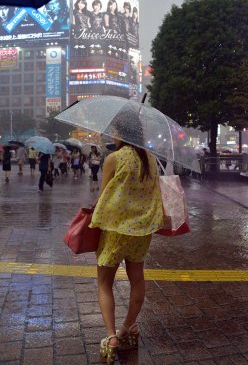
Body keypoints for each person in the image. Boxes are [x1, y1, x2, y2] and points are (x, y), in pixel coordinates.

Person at [89, 111, 164, 364]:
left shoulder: (114, 158)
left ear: (122, 133)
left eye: (114, 131)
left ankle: (111, 337)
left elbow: (103, 198)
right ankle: (129, 328)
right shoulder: (151, 159)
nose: (112, 135)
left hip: (115, 231)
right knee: (137, 279)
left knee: (104, 284)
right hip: (142, 230)